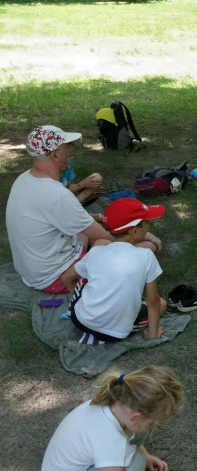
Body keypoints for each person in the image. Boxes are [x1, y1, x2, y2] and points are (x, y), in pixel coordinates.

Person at [5, 126, 160, 294]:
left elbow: (72, 219)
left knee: (87, 235)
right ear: (55, 155)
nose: (71, 151)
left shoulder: (24, 179)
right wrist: (146, 235)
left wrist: (100, 218)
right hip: (55, 277)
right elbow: (108, 237)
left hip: (34, 271)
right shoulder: (58, 195)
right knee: (138, 247)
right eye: (68, 146)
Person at [39, 365, 182, 471]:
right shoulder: (111, 442)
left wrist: (147, 455)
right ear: (135, 416)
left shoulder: (112, 403)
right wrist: (142, 458)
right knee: (137, 462)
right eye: (153, 421)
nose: (155, 425)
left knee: (139, 444)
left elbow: (123, 437)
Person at [61, 198, 169, 344]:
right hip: (114, 333)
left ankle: (80, 309)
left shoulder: (96, 251)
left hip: (80, 320)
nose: (148, 226)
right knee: (162, 304)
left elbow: (66, 278)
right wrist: (153, 333)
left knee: (85, 278)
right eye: (146, 222)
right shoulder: (146, 256)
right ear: (134, 230)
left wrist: (84, 300)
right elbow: (153, 300)